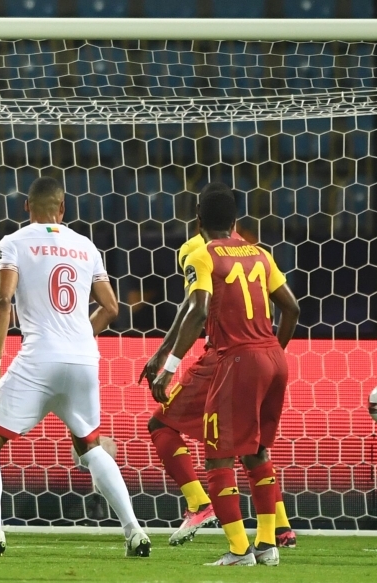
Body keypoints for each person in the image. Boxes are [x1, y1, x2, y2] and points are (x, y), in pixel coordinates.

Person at [0, 177, 151, 558]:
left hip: (38, 358)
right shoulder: (87, 246)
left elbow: (1, 302)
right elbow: (112, 308)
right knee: (90, 445)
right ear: (62, 209)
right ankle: (134, 531)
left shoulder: (13, 242)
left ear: (27, 207)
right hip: (83, 359)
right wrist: (81, 333)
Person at [150, 183, 300, 567]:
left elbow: (197, 309)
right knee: (257, 451)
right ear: (235, 222)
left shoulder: (202, 254)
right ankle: (268, 543)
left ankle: (238, 550)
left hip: (236, 360)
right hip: (273, 357)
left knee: (218, 457)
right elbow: (293, 309)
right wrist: (270, 350)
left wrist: (168, 367)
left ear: (198, 222)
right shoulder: (260, 254)